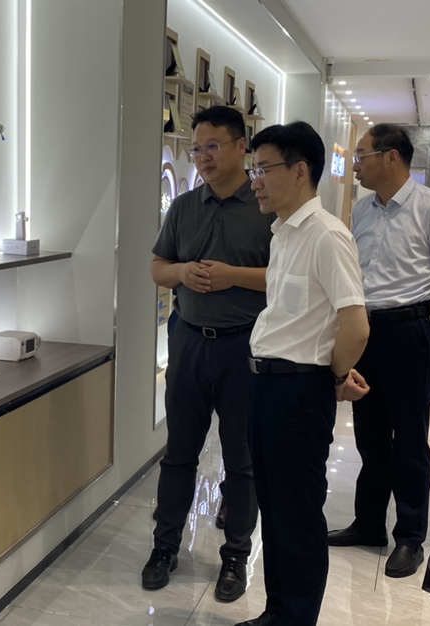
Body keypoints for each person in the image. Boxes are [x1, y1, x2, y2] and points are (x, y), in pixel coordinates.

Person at [233, 122, 369, 626]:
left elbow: (356, 326)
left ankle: (295, 619)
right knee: (274, 508)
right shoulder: (284, 233)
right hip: (268, 384)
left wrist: (333, 377)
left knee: (298, 515)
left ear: (299, 171)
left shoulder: (327, 235)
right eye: (254, 170)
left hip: (297, 389)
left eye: (264, 169)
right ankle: (278, 612)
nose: (255, 181)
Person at [143, 105, 272, 602]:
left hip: (246, 345)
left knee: (242, 459)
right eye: (197, 149)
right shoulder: (183, 207)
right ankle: (164, 548)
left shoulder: (266, 206)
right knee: (179, 453)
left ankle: (235, 557)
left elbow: (285, 277)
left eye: (213, 146)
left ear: (242, 146)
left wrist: (232, 276)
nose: (203, 157)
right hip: (189, 340)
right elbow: (158, 266)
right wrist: (181, 273)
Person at [327, 123, 430, 579]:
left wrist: (417, 316)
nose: (356, 165)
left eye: (361, 155)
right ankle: (368, 524)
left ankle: (409, 536)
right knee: (369, 435)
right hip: (365, 332)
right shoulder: (362, 210)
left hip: (408, 333)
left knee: (408, 436)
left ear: (391, 157)